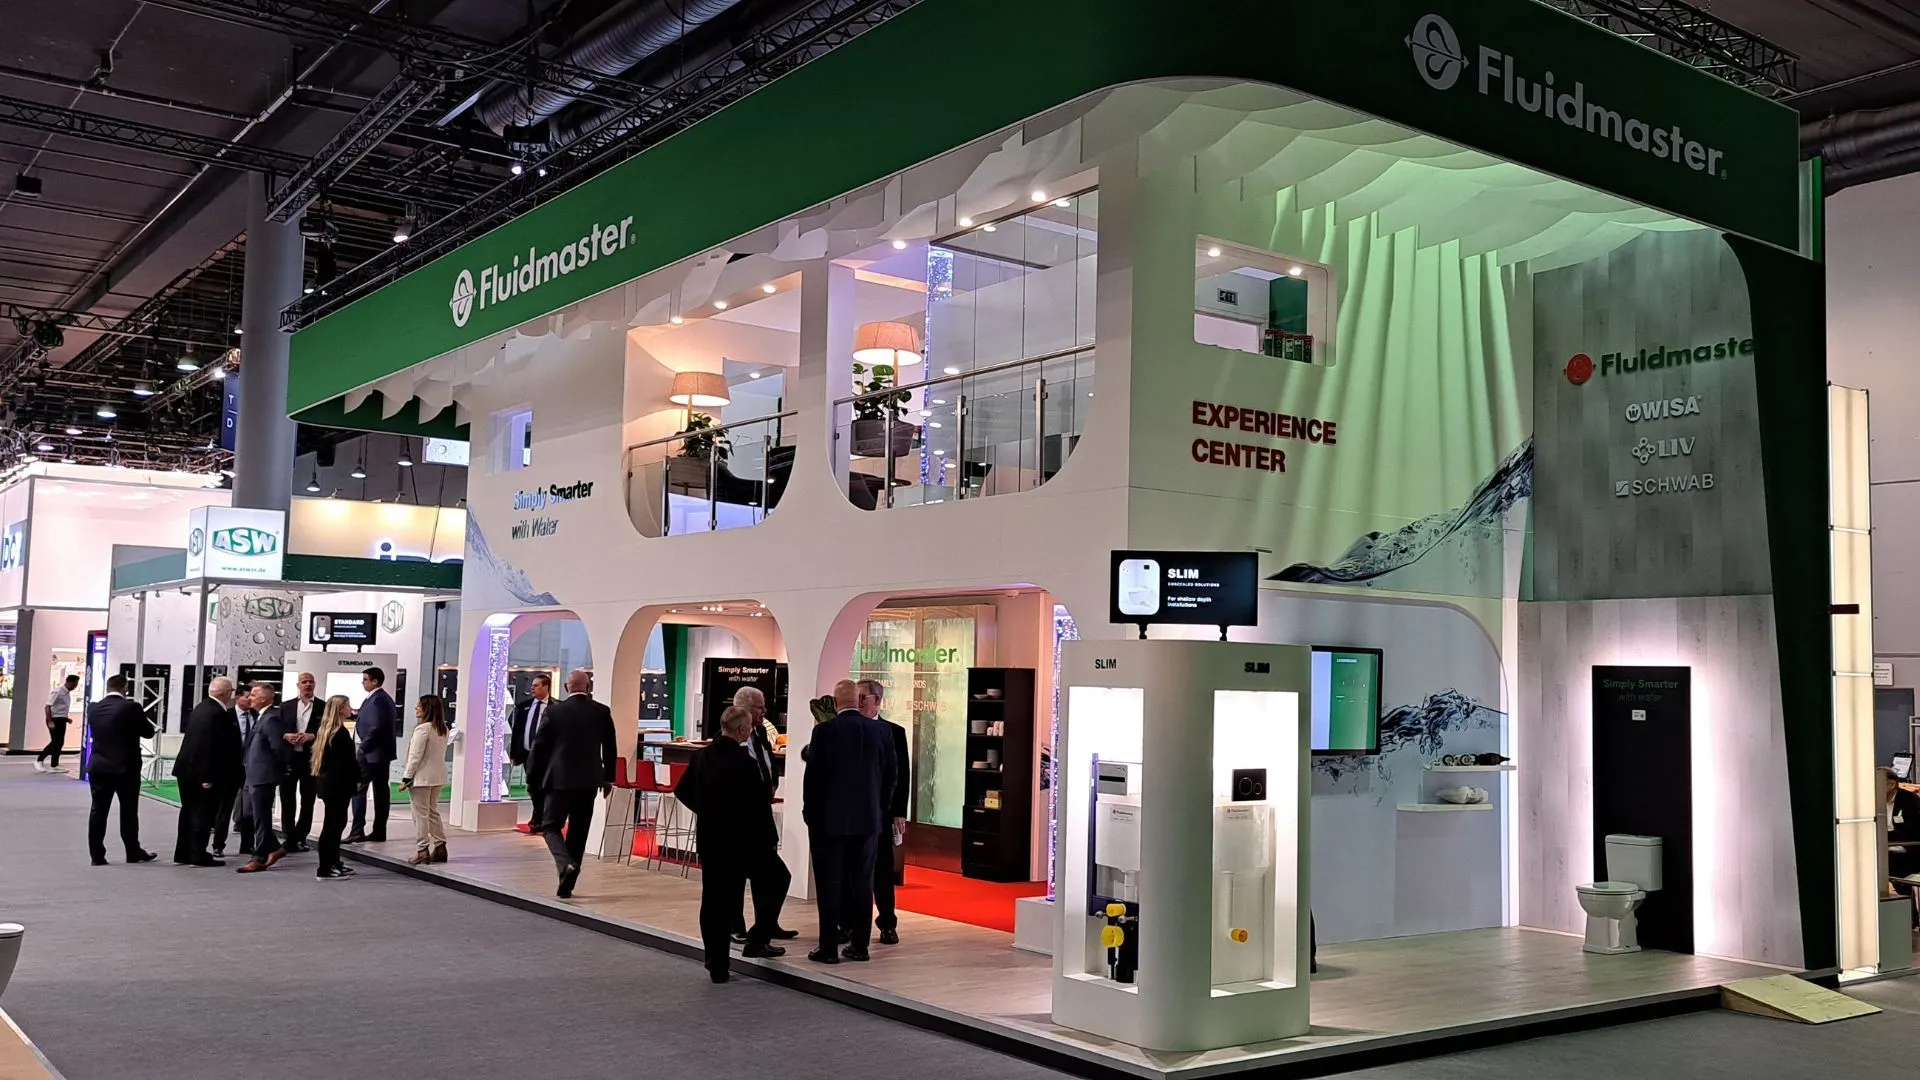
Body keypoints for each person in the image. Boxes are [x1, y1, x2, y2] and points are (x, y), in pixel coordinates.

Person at [679, 705, 790, 982]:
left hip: (712, 839)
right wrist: (769, 839)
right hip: (744, 841)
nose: (752, 730)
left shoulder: (701, 756)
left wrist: (707, 812)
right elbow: (758, 806)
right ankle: (758, 936)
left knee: (714, 901)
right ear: (742, 730)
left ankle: (716, 963)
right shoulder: (744, 762)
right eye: (750, 727)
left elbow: (683, 791)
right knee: (779, 878)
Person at [801, 679, 894, 964]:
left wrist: (810, 816)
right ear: (859, 700)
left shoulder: (825, 731)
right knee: (863, 885)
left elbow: (813, 780)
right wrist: (878, 811)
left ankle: (828, 948)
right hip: (868, 822)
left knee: (830, 885)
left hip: (829, 824)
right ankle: (860, 946)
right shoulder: (881, 731)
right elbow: (891, 777)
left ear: (834, 701)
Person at [529, 668, 616, 899]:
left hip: (559, 780)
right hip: (589, 781)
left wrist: (533, 779)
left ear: (567, 688)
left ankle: (565, 865)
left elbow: (539, 747)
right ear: (588, 687)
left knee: (550, 826)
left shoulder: (554, 712)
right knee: (579, 831)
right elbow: (610, 747)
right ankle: (567, 884)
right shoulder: (601, 711)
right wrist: (609, 778)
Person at [84, 674, 158, 866]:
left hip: (99, 767)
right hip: (126, 768)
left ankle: (97, 855)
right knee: (129, 811)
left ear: (108, 688)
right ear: (125, 688)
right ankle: (132, 852)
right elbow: (148, 732)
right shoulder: (131, 707)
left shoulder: (93, 708)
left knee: (98, 810)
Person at [858, 679, 911, 946]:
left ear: (876, 701)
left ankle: (887, 923)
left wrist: (899, 811)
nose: (857, 702)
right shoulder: (848, 728)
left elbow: (902, 775)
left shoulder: (894, 732)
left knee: (882, 870)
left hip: (882, 812)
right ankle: (850, 924)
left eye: (862, 697)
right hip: (854, 812)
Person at [171, 676, 241, 867]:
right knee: (202, 814)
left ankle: (183, 852)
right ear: (226, 693)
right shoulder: (217, 713)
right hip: (201, 773)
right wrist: (207, 777)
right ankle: (198, 854)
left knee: (188, 812)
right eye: (231, 692)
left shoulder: (201, 708)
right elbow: (207, 746)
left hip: (186, 770)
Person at [235, 683, 295, 873]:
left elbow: (279, 748)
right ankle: (276, 847)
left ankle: (259, 857)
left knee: (261, 817)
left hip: (263, 775)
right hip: (252, 774)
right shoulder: (261, 717)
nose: (249, 698)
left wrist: (278, 769)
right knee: (248, 814)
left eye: (254, 695)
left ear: (264, 698)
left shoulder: (271, 719)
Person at [310, 695, 361, 880]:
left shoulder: (329, 731)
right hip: (337, 786)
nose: (350, 708)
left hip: (331, 785)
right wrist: (356, 779)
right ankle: (325, 867)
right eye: (347, 705)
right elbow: (346, 763)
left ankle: (334, 862)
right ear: (340, 709)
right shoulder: (338, 734)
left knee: (335, 824)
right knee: (332, 826)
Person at [348, 667, 398, 844]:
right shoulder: (380, 699)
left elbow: (376, 727)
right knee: (380, 791)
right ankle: (378, 831)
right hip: (379, 754)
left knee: (358, 789)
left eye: (365, 679)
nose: (363, 683)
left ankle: (357, 831)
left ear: (375, 681)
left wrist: (363, 748)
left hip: (371, 754)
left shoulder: (378, 700)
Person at [400, 695, 451, 866]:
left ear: (426, 709)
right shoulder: (442, 729)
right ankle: (440, 846)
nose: (416, 708)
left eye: (419, 706)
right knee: (432, 811)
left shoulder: (423, 729)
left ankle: (422, 849)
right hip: (437, 776)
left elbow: (415, 756)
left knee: (420, 814)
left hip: (421, 777)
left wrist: (406, 777)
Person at [278, 672, 323, 853]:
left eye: (311, 681)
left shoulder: (322, 706)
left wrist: (313, 736)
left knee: (308, 799)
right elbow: (277, 729)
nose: (308, 684)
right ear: (298, 685)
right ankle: (289, 837)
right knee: (287, 798)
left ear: (314, 684)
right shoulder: (286, 706)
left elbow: (328, 731)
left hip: (310, 759)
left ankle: (301, 837)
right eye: (304, 682)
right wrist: (285, 735)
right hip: (289, 758)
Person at [508, 673, 554, 834]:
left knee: (545, 788)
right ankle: (537, 818)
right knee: (533, 788)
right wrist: (514, 754)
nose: (532, 688)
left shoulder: (555, 707)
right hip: (528, 754)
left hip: (548, 757)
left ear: (546, 687)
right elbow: (517, 731)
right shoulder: (524, 706)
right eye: (532, 685)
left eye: (536, 685)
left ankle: (541, 820)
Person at [33, 673, 79, 773]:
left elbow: (60, 708)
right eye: (74, 685)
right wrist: (50, 721)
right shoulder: (58, 692)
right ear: (69, 682)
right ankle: (39, 760)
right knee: (55, 741)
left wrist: (66, 718)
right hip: (54, 720)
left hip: (61, 719)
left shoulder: (67, 693)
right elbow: (47, 707)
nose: (75, 687)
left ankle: (54, 764)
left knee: (60, 742)